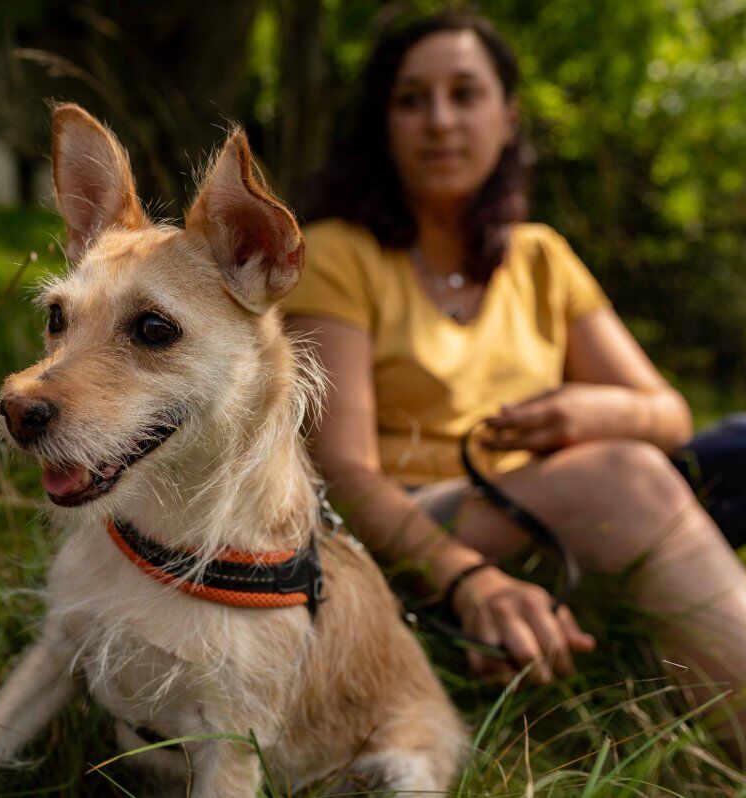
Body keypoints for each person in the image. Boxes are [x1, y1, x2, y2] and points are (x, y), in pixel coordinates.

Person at [282, 11, 746, 761]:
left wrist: (589, 410)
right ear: (383, 123)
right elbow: (343, 473)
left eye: (465, 94)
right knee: (627, 477)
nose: (439, 121)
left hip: (551, 506)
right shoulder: (338, 253)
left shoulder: (539, 258)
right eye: (412, 99)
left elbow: (667, 412)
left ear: (508, 116)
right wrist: (471, 583)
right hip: (408, 531)